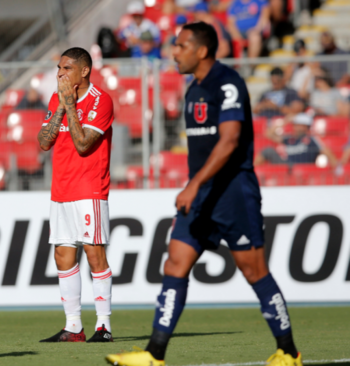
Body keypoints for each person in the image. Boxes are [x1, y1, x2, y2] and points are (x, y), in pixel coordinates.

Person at [107, 22, 302, 366]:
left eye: (181, 46)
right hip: (199, 196)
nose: (174, 52)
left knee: (254, 271)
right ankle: (154, 354)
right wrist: (195, 186)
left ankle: (288, 351)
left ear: (201, 50)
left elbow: (229, 141)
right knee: (175, 264)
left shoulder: (226, 84)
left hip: (233, 193)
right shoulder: (192, 89)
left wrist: (194, 184)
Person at [37, 47, 115, 343]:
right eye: (59, 68)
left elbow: (83, 144)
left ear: (84, 70)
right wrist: (61, 106)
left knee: (94, 253)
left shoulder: (101, 100)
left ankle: (103, 326)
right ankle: (73, 327)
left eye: (67, 68)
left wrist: (69, 104)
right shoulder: (57, 99)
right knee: (62, 256)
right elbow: (44, 142)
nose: (60, 74)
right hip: (62, 189)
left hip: (89, 187)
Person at [255, 113, 338, 166]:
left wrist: (336, 169)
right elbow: (268, 134)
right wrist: (285, 121)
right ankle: (250, 174)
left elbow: (327, 152)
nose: (297, 127)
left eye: (300, 125)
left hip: (305, 168)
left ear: (307, 127)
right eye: (296, 125)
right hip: (288, 166)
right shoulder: (289, 138)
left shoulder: (312, 139)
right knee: (268, 151)